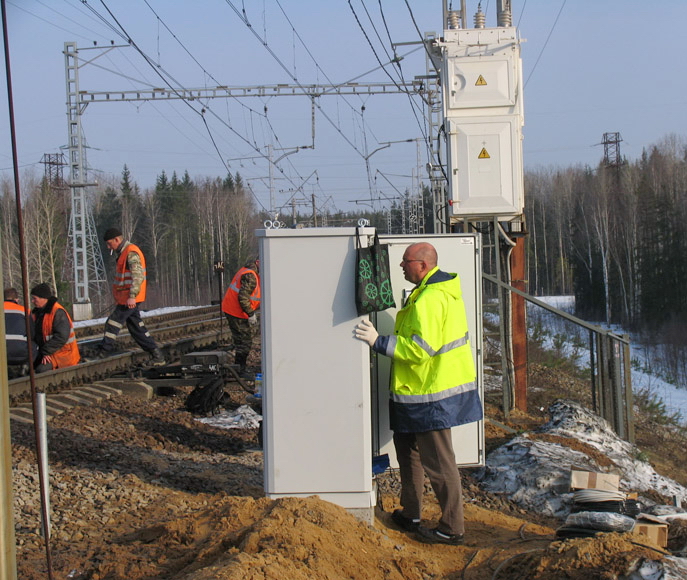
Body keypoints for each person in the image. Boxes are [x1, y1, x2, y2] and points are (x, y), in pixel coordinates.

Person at [354, 242, 482, 545]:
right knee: (408, 453)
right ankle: (411, 513)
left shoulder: (432, 299)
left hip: (431, 395)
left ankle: (452, 528)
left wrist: (377, 342)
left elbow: (420, 349)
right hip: (415, 393)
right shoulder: (425, 294)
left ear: (422, 265)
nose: (400, 266)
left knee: (439, 463)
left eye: (405, 262)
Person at [91, 228, 165, 366]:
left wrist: (132, 296)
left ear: (117, 240)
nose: (108, 247)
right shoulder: (124, 253)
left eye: (109, 243)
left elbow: (138, 276)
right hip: (127, 298)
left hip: (130, 299)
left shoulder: (130, 253)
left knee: (113, 323)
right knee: (136, 328)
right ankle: (157, 356)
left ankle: (102, 352)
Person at [221, 257, 260, 378]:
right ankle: (240, 370)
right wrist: (250, 313)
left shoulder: (248, 271)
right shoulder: (251, 276)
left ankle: (240, 368)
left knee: (242, 341)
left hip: (234, 310)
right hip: (236, 311)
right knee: (244, 342)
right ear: (258, 263)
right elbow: (243, 297)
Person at [30, 283, 80, 373]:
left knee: (40, 370)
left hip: (63, 354)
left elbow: (61, 337)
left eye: (34, 298)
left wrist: (45, 352)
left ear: (43, 298)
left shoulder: (57, 312)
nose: (32, 301)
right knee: (28, 367)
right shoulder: (38, 313)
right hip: (49, 352)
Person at [4, 287, 36, 377]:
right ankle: (25, 366)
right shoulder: (25, 310)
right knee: (34, 345)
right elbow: (32, 334)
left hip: (3, 354)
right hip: (22, 353)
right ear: (16, 299)